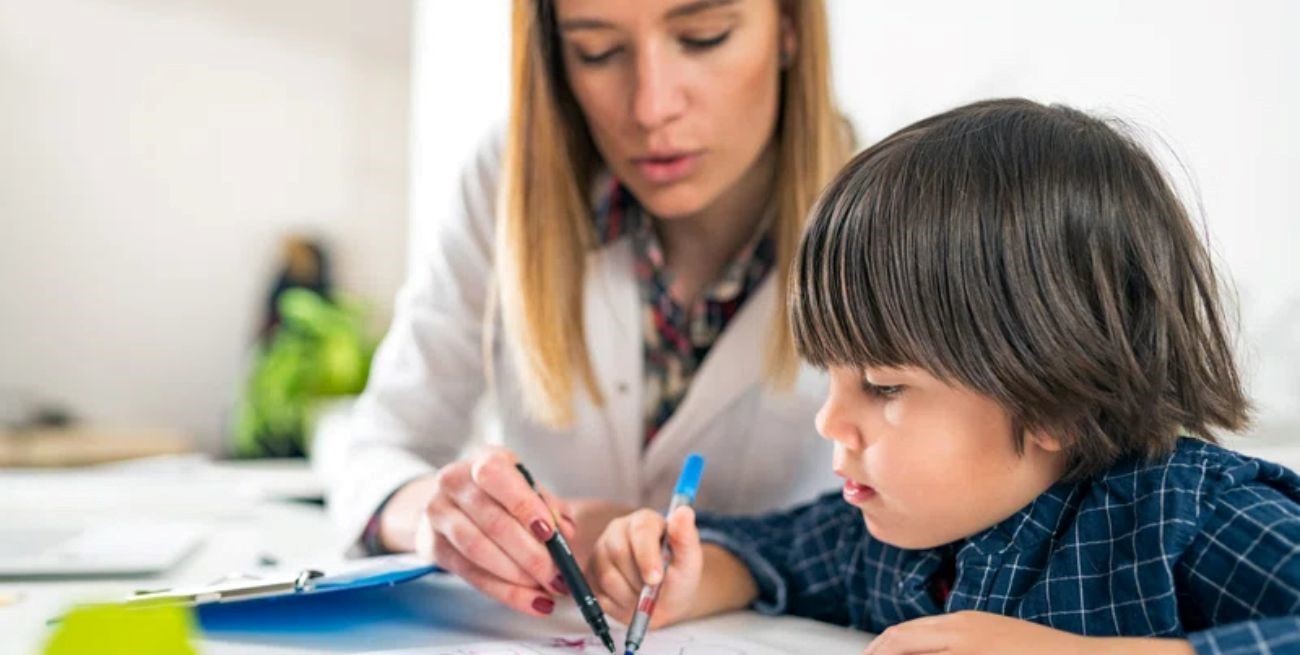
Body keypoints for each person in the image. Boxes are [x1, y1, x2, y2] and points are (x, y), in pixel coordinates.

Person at [589, 99, 1300, 654]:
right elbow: (780, 555)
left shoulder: (1193, 522)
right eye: (831, 375)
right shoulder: (898, 528)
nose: (829, 420)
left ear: (1059, 396)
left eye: (884, 386)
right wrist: (692, 574)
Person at [314, 0, 852, 618]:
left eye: (704, 38)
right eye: (596, 51)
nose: (651, 107)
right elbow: (378, 449)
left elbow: (940, 543)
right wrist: (437, 516)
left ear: (788, 28)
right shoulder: (507, 182)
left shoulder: (901, 215)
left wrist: (719, 557)